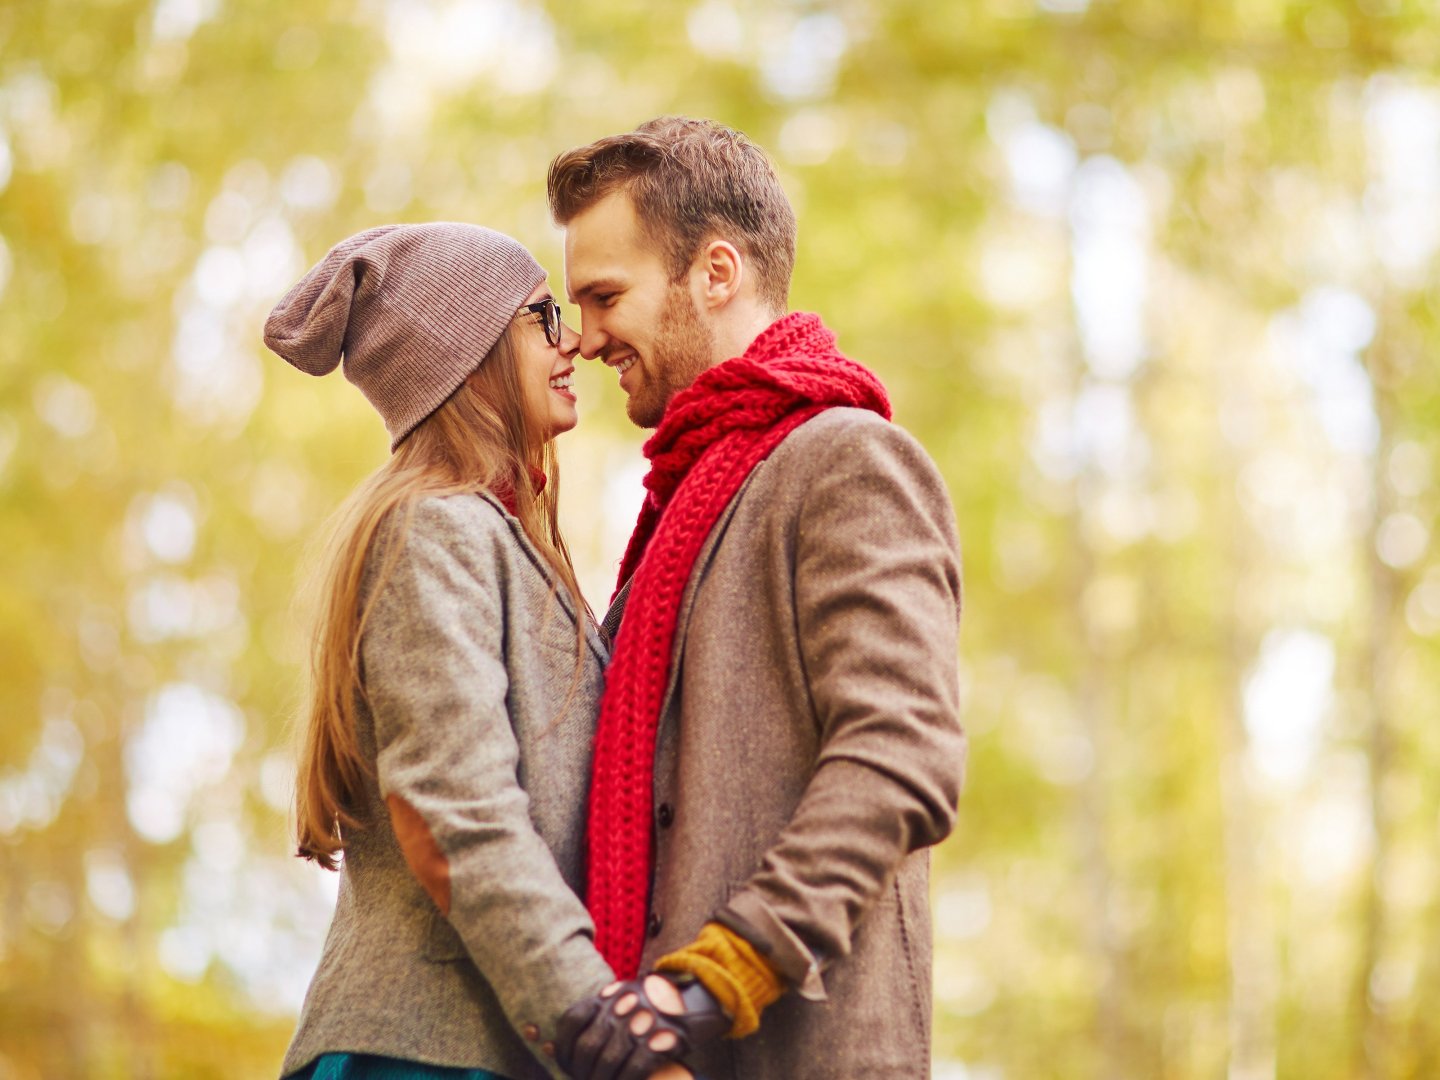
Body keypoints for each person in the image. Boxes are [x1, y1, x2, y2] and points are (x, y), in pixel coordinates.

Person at [545, 118, 967, 1079]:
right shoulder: (679, 503)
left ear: (717, 273)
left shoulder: (848, 461)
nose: (586, 337)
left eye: (607, 296)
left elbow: (903, 753)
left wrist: (714, 977)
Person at [263, 223, 688, 1080]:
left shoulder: (497, 538)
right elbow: (452, 818)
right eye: (542, 317)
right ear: (469, 353)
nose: (573, 340)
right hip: (419, 1051)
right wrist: (596, 1022)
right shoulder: (435, 530)